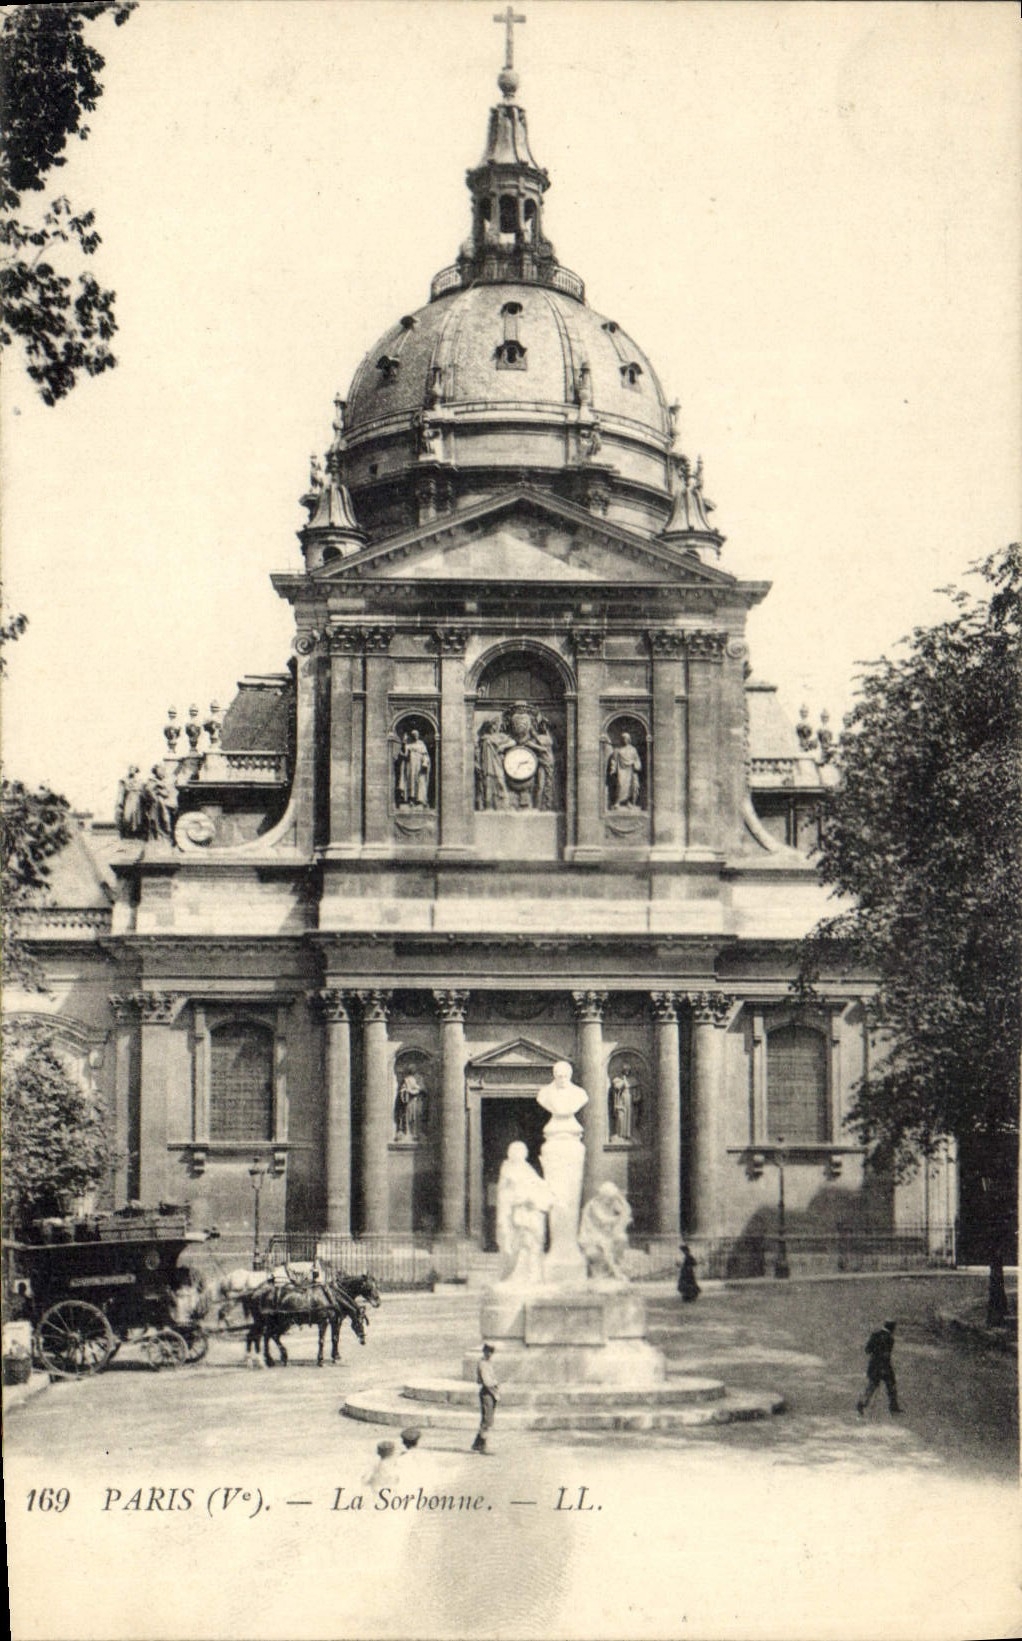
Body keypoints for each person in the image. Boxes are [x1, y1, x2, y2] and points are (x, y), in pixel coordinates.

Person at [495, 1142, 552, 1285]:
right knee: (518, 1246)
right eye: (516, 1151)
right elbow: (505, 1194)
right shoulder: (507, 1169)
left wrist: (535, 1195)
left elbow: (538, 1185)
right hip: (517, 1213)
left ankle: (531, 1276)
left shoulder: (527, 1169)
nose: (519, 1154)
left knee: (531, 1245)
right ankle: (517, 1275)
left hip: (529, 1212)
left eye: (521, 1151)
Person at [857, 1320, 901, 1415]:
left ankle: (862, 1403)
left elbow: (867, 1350)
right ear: (892, 1328)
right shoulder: (890, 1339)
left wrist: (876, 1352)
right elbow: (887, 1355)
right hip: (885, 1366)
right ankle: (893, 1406)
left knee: (872, 1386)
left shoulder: (875, 1335)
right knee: (891, 1386)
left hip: (874, 1365)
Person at [471, 1343, 498, 1454]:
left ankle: (477, 1444)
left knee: (488, 1419)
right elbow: (487, 1382)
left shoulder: (487, 1363)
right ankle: (483, 1445)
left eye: (491, 1352)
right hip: (487, 1392)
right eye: (488, 1351)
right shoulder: (483, 1364)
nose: (490, 1354)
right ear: (484, 1351)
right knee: (487, 1421)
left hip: (490, 1392)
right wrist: (495, 1393)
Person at [607, 731, 643, 809]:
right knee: (620, 785)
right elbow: (614, 760)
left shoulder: (633, 750)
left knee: (633, 786)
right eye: (623, 738)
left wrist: (636, 765)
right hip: (621, 771)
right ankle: (617, 802)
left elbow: (637, 760)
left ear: (629, 739)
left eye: (626, 738)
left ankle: (630, 802)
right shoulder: (618, 750)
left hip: (631, 770)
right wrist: (613, 769)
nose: (624, 740)